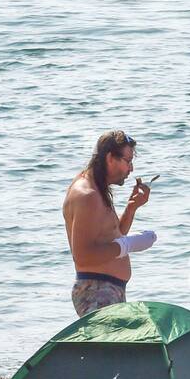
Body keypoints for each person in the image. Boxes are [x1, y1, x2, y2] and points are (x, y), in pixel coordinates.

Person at [62, 130, 156, 316]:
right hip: (96, 292)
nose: (131, 169)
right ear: (110, 158)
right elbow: (83, 256)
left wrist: (131, 208)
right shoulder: (86, 195)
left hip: (107, 290)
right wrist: (128, 245)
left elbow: (112, 235)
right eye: (128, 161)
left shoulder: (97, 189)